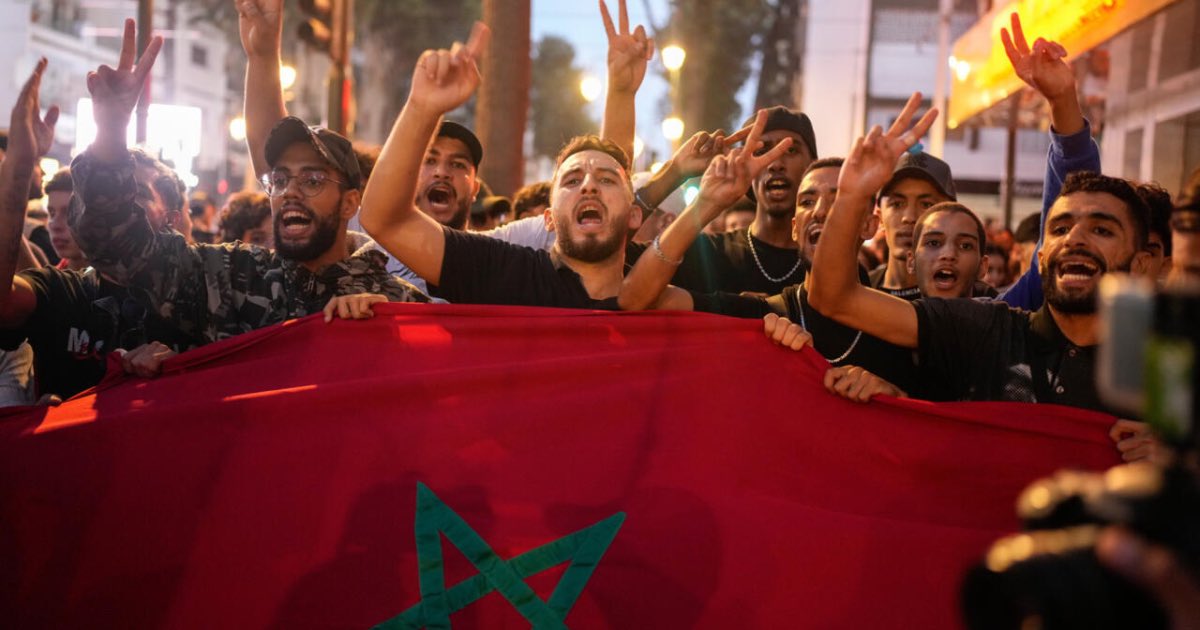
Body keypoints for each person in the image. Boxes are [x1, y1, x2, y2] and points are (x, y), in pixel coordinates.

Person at [68, 20, 427, 347]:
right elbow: (118, 248)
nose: (290, 192)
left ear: (350, 203)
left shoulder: (394, 299)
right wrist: (111, 132)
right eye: (281, 178)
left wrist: (392, 324)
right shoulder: (233, 278)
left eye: (313, 179)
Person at [805, 90, 1153, 419]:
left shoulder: (1159, 370)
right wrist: (851, 196)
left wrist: (1169, 446)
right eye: (1060, 229)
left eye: (1102, 230)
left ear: (1140, 264)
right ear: (1043, 254)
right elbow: (833, 297)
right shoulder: (984, 329)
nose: (1074, 239)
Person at [631, 108, 817, 295]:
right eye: (761, 150)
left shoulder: (828, 264)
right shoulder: (707, 256)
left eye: (791, 150)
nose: (776, 163)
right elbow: (612, 261)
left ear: (813, 165)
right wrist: (675, 171)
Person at [868, 150, 957, 299]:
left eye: (926, 204)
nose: (909, 217)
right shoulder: (860, 291)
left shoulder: (972, 298)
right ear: (880, 217)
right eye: (897, 204)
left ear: (953, 216)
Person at [43, 167, 87, 271]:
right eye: (52, 213)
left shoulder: (124, 281)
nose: (54, 225)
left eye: (69, 213)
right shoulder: (51, 279)